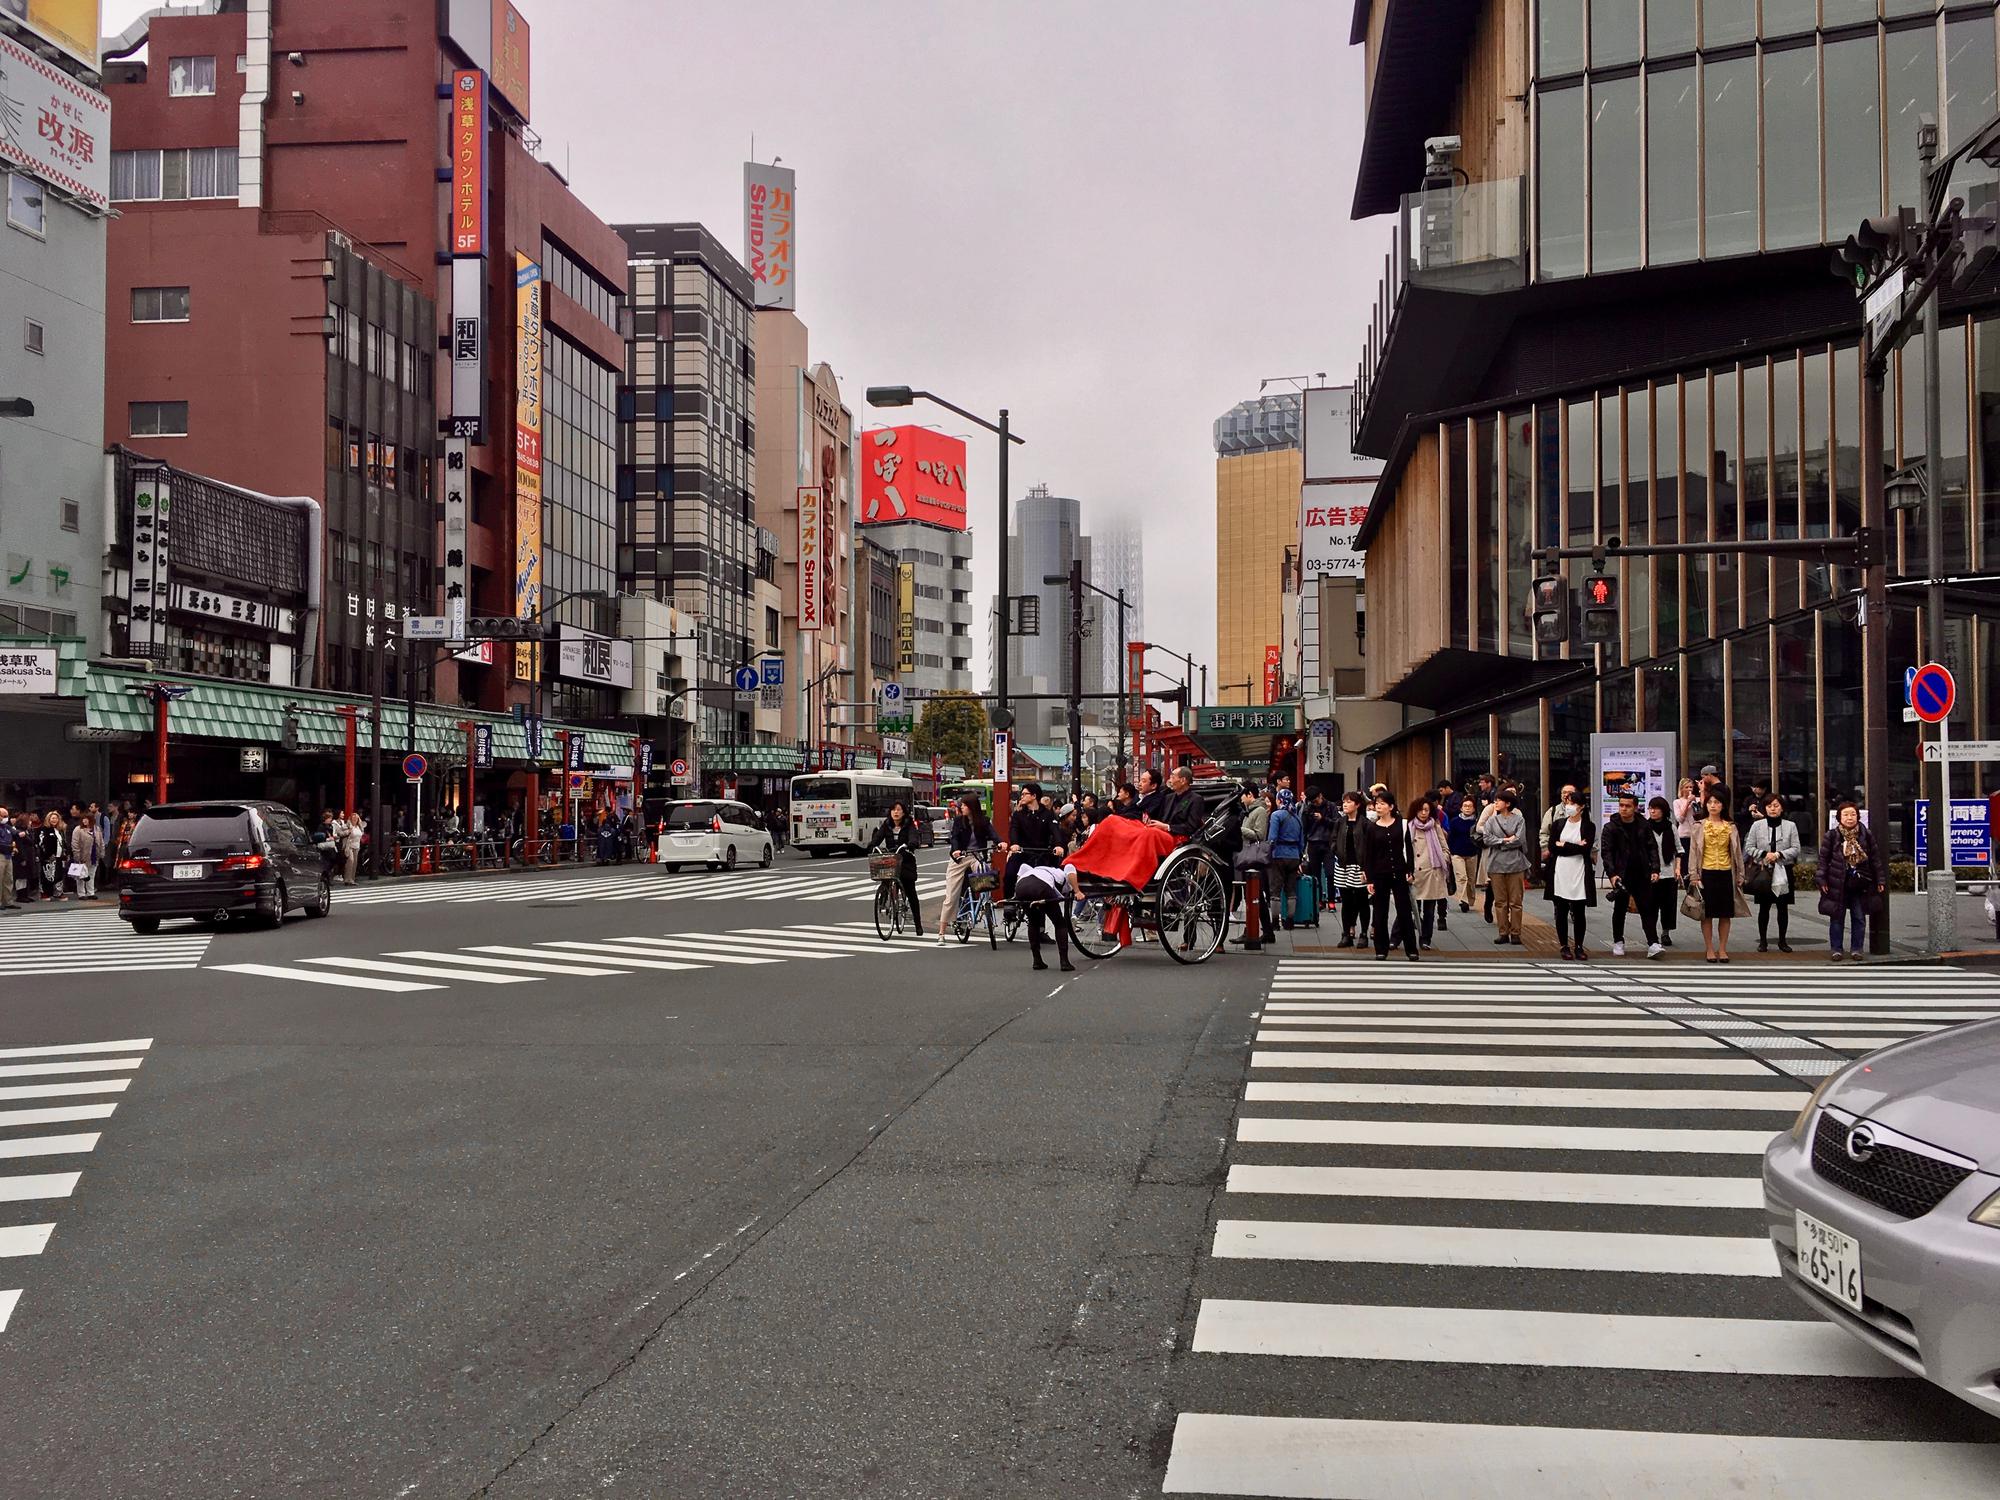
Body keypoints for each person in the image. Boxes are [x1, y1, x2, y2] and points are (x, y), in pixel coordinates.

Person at [1600, 791, 1665, 959]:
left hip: (1641, 872)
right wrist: (1612, 874)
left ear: (1635, 808)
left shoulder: (1644, 825)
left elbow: (1652, 848)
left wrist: (1655, 869)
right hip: (1621, 874)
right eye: (1621, 805)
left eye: (1628, 806)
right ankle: (1618, 941)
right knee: (1620, 908)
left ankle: (1653, 943)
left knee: (1647, 908)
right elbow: (1606, 852)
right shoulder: (1611, 827)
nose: (1624, 809)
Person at [1818, 801, 1884, 961]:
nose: (1849, 818)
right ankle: (1836, 949)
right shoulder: (1832, 835)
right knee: (1837, 917)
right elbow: (1823, 860)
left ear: (1858, 816)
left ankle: (1857, 948)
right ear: (1839, 817)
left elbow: (1875, 859)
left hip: (1860, 883)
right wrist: (1821, 879)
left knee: (1859, 917)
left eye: (1853, 814)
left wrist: (1880, 879)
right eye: (1846, 814)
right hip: (1837, 882)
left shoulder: (1865, 834)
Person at [1360, 790, 1417, 961]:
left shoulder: (1402, 824)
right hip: (1379, 874)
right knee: (1380, 912)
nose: (1379, 807)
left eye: (1383, 804)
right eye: (1377, 804)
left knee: (1404, 911)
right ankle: (1381, 949)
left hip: (1399, 871)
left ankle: (1411, 949)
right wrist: (1369, 878)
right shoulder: (1372, 828)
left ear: (1391, 807)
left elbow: (1409, 850)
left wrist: (1410, 870)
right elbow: (1368, 854)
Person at [1744, 792, 1801, 953]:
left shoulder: (1790, 826)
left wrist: (1779, 854)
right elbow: (1749, 847)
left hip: (1784, 868)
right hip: (1764, 870)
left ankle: (1782, 941)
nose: (1773, 809)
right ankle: (1763, 941)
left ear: (1782, 808)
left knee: (1783, 907)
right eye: (1769, 806)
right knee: (1764, 907)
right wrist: (1764, 854)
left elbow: (1796, 848)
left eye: (1776, 806)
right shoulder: (1757, 826)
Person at [1544, 791, 1597, 960]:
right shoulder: (1559, 824)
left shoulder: (1588, 826)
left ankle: (1579, 946)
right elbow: (1552, 846)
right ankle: (1564, 945)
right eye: (1567, 802)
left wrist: (1564, 845)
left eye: (1573, 803)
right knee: (1561, 909)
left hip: (1579, 868)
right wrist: (1573, 845)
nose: (1569, 807)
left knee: (1579, 910)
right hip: (1560, 868)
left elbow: (1585, 849)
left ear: (1581, 807)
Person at [1693, 791, 1745, 963]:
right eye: (1710, 802)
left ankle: (1722, 948)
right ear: (1705, 805)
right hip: (1706, 872)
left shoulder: (1730, 826)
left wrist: (1740, 874)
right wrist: (1693, 875)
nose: (1713, 805)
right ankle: (1709, 948)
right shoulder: (1699, 825)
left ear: (1723, 805)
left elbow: (1737, 852)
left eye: (1717, 802)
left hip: (1726, 872)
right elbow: (1693, 852)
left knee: (1725, 913)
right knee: (1706, 913)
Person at [936, 794, 995, 943]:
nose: (961, 807)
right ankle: (942, 931)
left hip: (976, 856)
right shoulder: (958, 821)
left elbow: (993, 834)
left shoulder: (984, 821)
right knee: (951, 894)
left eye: (964, 805)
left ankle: (985, 903)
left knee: (985, 873)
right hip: (960, 857)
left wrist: (1000, 842)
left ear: (972, 807)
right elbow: (954, 837)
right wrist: (956, 850)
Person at [1012, 855, 1082, 972]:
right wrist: (1077, 891)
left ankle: (1037, 960)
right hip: (1041, 886)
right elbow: (1070, 868)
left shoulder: (1035, 869)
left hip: (1021, 886)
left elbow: (1023, 867)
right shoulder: (1061, 873)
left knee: (1033, 922)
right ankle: (1064, 962)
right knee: (1060, 923)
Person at [1480, 788, 1531, 946]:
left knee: (1516, 901)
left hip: (1515, 864)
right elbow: (1486, 838)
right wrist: (1504, 841)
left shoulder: (1519, 819)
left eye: (1499, 800)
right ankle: (1503, 932)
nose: (1496, 803)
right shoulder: (1491, 820)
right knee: (1500, 901)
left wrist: (1502, 841)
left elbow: (1519, 839)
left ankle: (1516, 932)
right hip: (1496, 864)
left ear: (1508, 803)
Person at [866, 799, 925, 930]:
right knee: (885, 877)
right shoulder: (886, 825)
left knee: (910, 890)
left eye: (899, 810)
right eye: (893, 810)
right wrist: (872, 846)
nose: (896, 812)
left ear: (904, 812)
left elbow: (913, 838)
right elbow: (877, 839)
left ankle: (918, 924)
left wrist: (911, 845)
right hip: (891, 859)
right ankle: (883, 898)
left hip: (906, 860)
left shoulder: (909, 825)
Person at [1405, 796, 1451, 949]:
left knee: (1430, 910)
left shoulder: (1435, 826)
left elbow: (1445, 847)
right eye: (1421, 810)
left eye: (1427, 810)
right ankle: (1402, 936)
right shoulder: (1409, 827)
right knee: (1410, 908)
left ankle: (1426, 939)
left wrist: (1442, 860)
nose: (1423, 813)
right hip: (1414, 872)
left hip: (1433, 872)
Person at [1330, 790, 1371, 947]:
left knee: (1362, 901)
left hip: (1360, 867)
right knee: (1346, 902)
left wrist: (1366, 867)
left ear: (1357, 804)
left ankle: (1363, 934)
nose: (1345, 804)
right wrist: (1336, 850)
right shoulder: (1340, 822)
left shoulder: (1365, 824)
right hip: (1343, 866)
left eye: (1349, 802)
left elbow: (1369, 847)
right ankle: (1346, 933)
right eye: (1344, 802)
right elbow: (1333, 840)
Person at [1644, 796, 1681, 948]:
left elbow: (1679, 849)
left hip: (1668, 872)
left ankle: (1665, 933)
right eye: (1650, 808)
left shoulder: (1670, 827)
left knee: (1668, 906)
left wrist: (1678, 868)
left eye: (1656, 808)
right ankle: (1651, 934)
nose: (1652, 811)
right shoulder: (1645, 827)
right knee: (1650, 906)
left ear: (1663, 810)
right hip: (1650, 872)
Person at [1268, 788, 1306, 930]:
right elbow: (1302, 841)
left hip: (1279, 854)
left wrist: (1269, 853)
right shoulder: (1297, 818)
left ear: (1279, 800)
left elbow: (1272, 838)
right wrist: (1300, 855)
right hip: (1294, 856)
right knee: (1291, 889)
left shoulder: (1276, 815)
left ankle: (1275, 922)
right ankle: (1290, 921)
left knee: (1275, 889)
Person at [1446, 795, 1481, 915]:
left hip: (1472, 853)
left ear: (1474, 809)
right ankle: (1463, 900)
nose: (1467, 808)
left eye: (1470, 806)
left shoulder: (1477, 822)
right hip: (1457, 853)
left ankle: (1470, 899)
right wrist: (1450, 851)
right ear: (1461, 808)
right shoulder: (1455, 821)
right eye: (1465, 806)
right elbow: (1450, 838)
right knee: (1461, 877)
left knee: (1471, 879)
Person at [1302, 788, 1335, 912]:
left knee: (1330, 873)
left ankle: (1331, 900)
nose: (1315, 803)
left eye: (1316, 800)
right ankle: (1319, 900)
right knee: (1315, 875)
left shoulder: (1330, 806)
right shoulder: (1308, 809)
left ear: (1321, 795)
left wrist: (1323, 819)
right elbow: (1304, 829)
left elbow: (1336, 823)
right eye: (1312, 802)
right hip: (1313, 844)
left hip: (1328, 844)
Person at [69, 812, 99, 900]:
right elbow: (75, 843)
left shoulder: (96, 829)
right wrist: (77, 855)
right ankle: (81, 894)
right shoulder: (78, 829)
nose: (85, 821)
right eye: (83, 819)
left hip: (94, 855)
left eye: (87, 819)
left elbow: (100, 842)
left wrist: (101, 852)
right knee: (81, 876)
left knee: (91, 874)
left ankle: (91, 892)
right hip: (82, 855)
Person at [38, 811, 66, 900]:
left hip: (59, 856)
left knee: (58, 875)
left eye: (56, 818)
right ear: (48, 819)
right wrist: (47, 854)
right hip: (48, 857)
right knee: (47, 875)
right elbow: (41, 843)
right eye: (52, 818)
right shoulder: (44, 829)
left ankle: (58, 893)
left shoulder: (60, 830)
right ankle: (45, 893)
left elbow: (63, 842)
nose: (54, 820)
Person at [339, 811, 365, 886]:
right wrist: (348, 832)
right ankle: (347, 879)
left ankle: (352, 879)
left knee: (355, 863)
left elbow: (361, 834)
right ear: (350, 819)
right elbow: (339, 833)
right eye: (353, 818)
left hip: (357, 846)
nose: (354, 820)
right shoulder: (347, 825)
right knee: (350, 861)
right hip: (349, 846)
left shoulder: (359, 826)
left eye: (356, 819)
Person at [0, 806, 14, 912]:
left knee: (8, 879)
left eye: (7, 816)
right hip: (1, 853)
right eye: (4, 816)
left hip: (8, 854)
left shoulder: (7, 827)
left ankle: (8, 901)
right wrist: (9, 847)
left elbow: (15, 833)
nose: (6, 818)